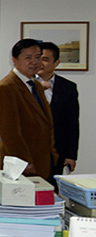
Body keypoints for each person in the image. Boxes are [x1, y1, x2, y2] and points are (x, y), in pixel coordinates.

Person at [0, 38, 58, 180]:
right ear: (14, 60)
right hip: (22, 166)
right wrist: (23, 161)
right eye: (28, 57)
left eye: (38, 57)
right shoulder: (6, 87)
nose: (34, 62)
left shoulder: (35, 85)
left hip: (42, 160)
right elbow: (9, 131)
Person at [37, 41, 80, 176]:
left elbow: (72, 124)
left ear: (56, 63)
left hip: (56, 152)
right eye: (38, 58)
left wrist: (71, 155)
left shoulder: (68, 87)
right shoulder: (23, 85)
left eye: (45, 59)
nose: (40, 63)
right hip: (28, 153)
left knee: (52, 187)